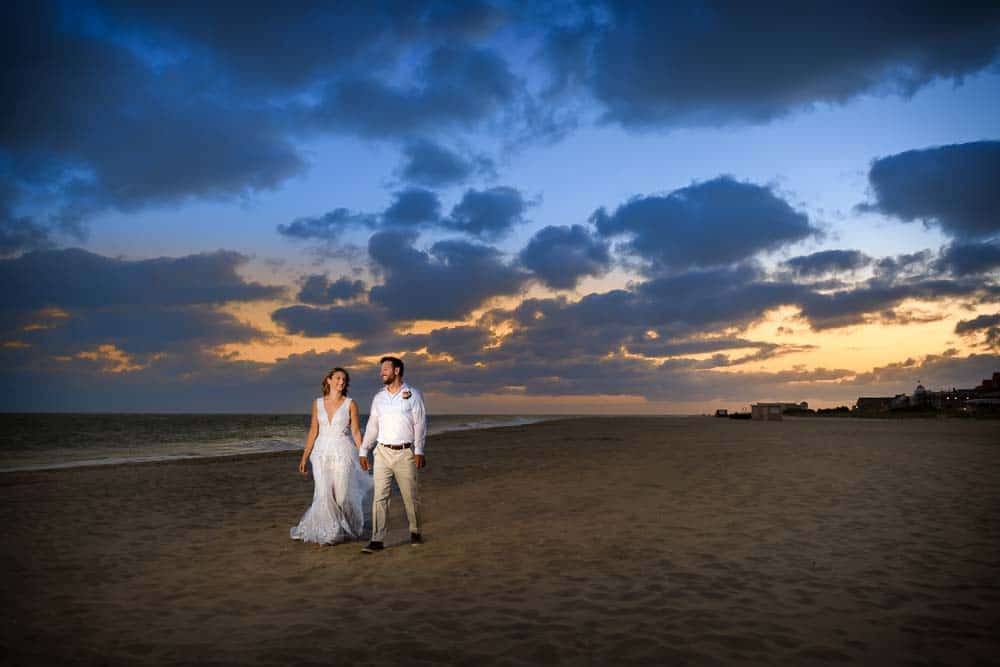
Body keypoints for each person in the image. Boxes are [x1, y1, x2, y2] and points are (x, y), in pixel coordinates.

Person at [290, 368, 373, 545]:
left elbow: (356, 432)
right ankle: (331, 532)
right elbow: (313, 430)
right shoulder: (317, 403)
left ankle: (348, 524)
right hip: (320, 453)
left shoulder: (350, 404)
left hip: (343, 451)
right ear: (329, 380)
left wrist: (363, 454)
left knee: (342, 495)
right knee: (324, 494)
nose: (341, 382)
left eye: (344, 379)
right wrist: (305, 457)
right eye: (337, 378)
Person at [359, 356, 426, 553]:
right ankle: (377, 539)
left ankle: (415, 531)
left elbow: (420, 424)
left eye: (385, 369)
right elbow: (372, 425)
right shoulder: (378, 397)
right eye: (381, 370)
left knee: (410, 496)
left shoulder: (413, 394)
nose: (382, 373)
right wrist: (364, 450)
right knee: (380, 497)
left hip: (405, 452)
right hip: (381, 453)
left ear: (397, 371)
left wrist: (419, 450)